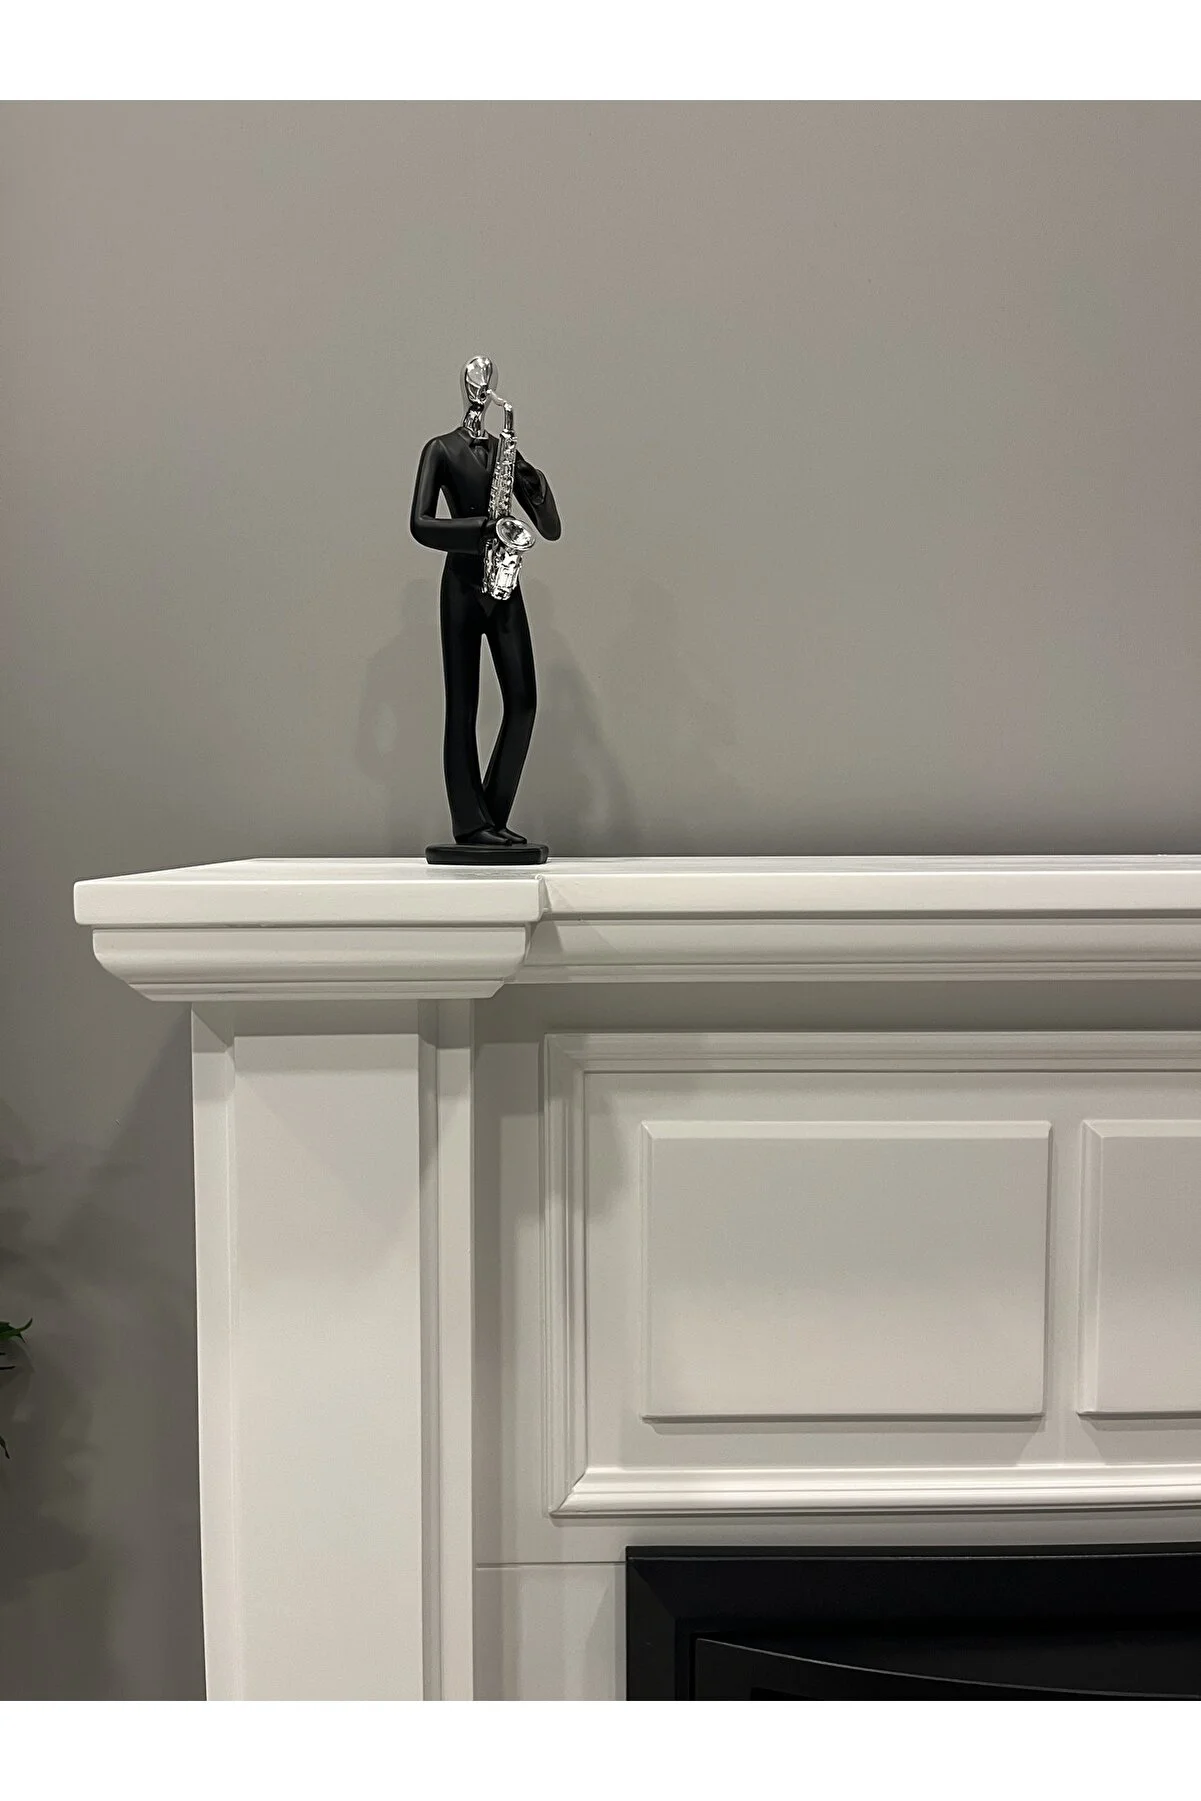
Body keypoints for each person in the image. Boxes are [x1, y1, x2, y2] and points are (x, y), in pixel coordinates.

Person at [410, 356, 561, 854]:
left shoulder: (502, 451)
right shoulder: (440, 449)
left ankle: (490, 817)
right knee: (463, 707)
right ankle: (470, 823)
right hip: (461, 585)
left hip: (503, 584)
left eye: (488, 382)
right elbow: (420, 525)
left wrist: (532, 481)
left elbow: (551, 529)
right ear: (463, 387)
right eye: (475, 381)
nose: (482, 389)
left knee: (524, 703)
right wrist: (482, 530)